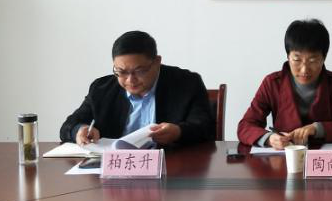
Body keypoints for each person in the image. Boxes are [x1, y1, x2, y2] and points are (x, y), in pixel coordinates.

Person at [59, 30, 215, 147]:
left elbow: (206, 128)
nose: (130, 80)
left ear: (157, 62)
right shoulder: (101, 89)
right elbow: (68, 126)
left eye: (139, 71)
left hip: (171, 168)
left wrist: (178, 132)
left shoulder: (187, 83)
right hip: (114, 169)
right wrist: (79, 130)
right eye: (121, 72)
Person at [237, 19, 332, 148]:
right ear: (288, 56)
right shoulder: (272, 83)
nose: (304, 70)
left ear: (324, 58)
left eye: (312, 60)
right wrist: (269, 138)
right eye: (297, 60)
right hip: (284, 155)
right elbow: (245, 126)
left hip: (325, 156)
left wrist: (317, 128)